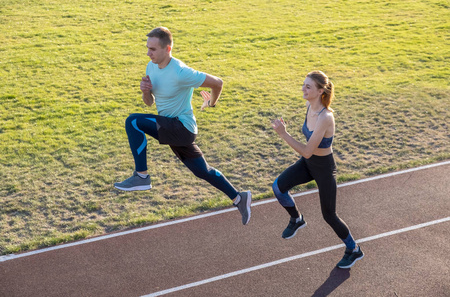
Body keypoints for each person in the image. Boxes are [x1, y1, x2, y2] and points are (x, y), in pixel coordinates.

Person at [114, 27, 251, 225]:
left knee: (133, 121)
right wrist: (146, 91)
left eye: (152, 49)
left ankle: (141, 176)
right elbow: (149, 103)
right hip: (170, 127)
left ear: (167, 48)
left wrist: (211, 103)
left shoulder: (181, 72)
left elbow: (218, 83)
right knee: (202, 171)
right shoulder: (151, 67)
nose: (148, 53)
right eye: (147, 48)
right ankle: (239, 198)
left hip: (181, 127)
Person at [271, 71, 364, 268]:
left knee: (329, 215)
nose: (303, 89)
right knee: (278, 188)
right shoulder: (309, 106)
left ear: (320, 91)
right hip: (308, 165)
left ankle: (353, 249)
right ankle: (296, 219)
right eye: (303, 84)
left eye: (308, 87)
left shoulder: (326, 117)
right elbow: (307, 156)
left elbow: (306, 151)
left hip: (323, 168)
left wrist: (283, 133)